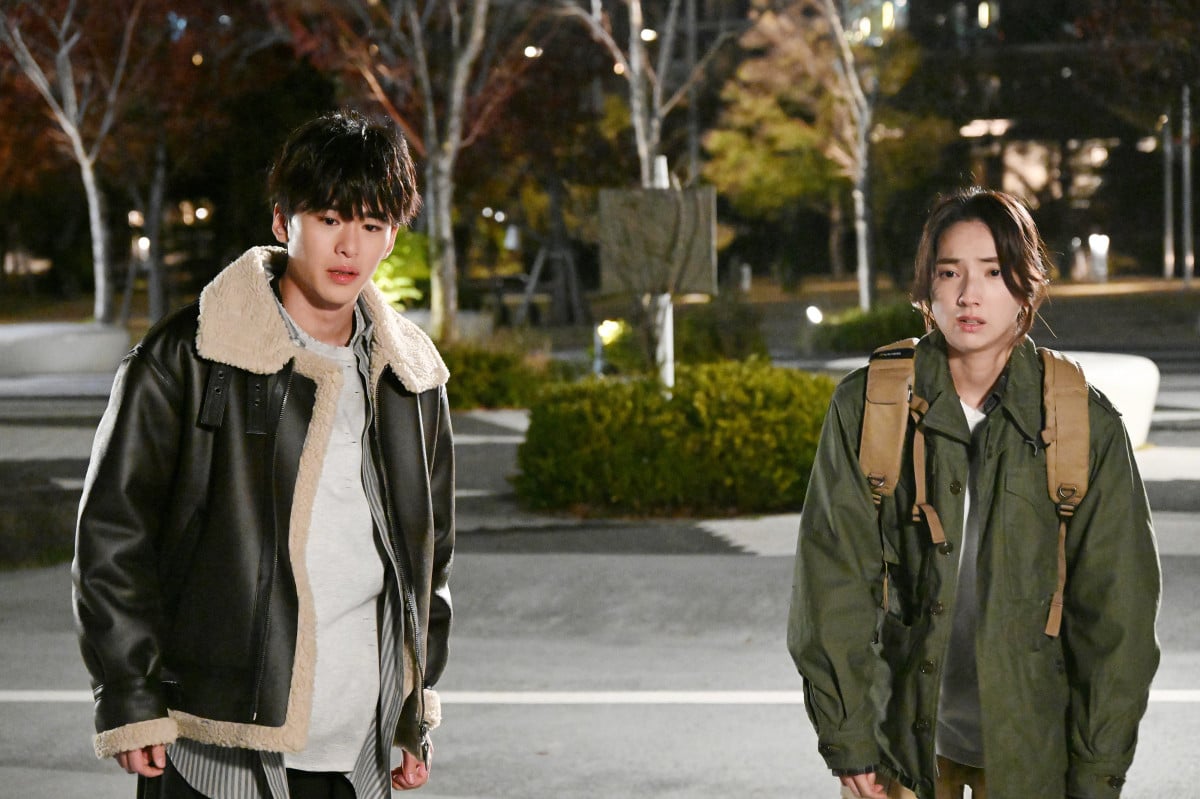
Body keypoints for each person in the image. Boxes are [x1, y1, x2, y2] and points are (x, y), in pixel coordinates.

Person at [72, 109, 454, 798]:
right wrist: (129, 693)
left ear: (393, 235)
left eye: (372, 225)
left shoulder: (411, 375)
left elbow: (431, 558)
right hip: (216, 742)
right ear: (283, 221)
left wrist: (412, 708)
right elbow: (113, 535)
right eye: (330, 218)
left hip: (357, 752)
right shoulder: (188, 355)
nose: (350, 246)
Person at [787, 188, 1160, 799]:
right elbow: (832, 580)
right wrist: (849, 735)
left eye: (993, 271)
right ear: (925, 288)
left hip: (1034, 752)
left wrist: (1098, 771)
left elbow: (1118, 615)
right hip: (900, 746)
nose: (969, 294)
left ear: (1026, 286)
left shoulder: (1081, 421)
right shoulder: (871, 407)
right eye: (949, 272)